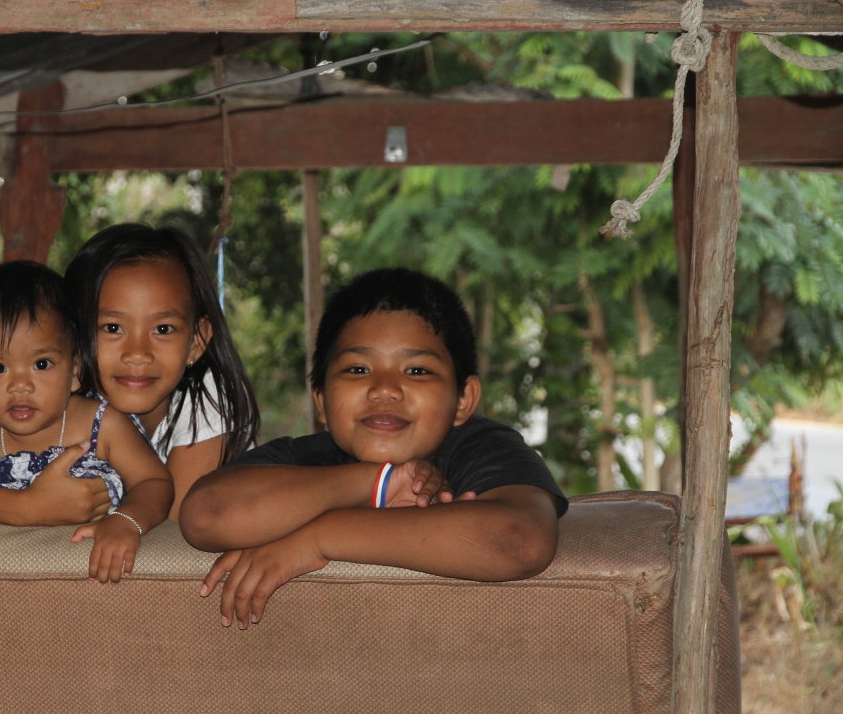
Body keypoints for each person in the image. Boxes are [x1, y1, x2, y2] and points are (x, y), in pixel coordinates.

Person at [179, 267, 567, 629]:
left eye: (417, 371)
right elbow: (207, 516)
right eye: (357, 369)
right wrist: (379, 482)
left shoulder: (480, 445)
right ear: (321, 400)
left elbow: (519, 542)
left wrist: (318, 537)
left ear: (464, 398)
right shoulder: (296, 460)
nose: (384, 389)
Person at [0, 260, 173, 599]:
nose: (20, 385)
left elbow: (155, 482)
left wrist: (128, 521)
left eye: (42, 364)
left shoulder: (102, 424)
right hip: (5, 589)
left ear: (75, 368)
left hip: (91, 588)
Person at [0, 223, 260, 523]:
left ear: (197, 341)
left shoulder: (207, 397)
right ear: (71, 338)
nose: (137, 353)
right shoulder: (52, 398)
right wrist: (25, 506)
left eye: (163, 328)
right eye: (113, 327)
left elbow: (173, 527)